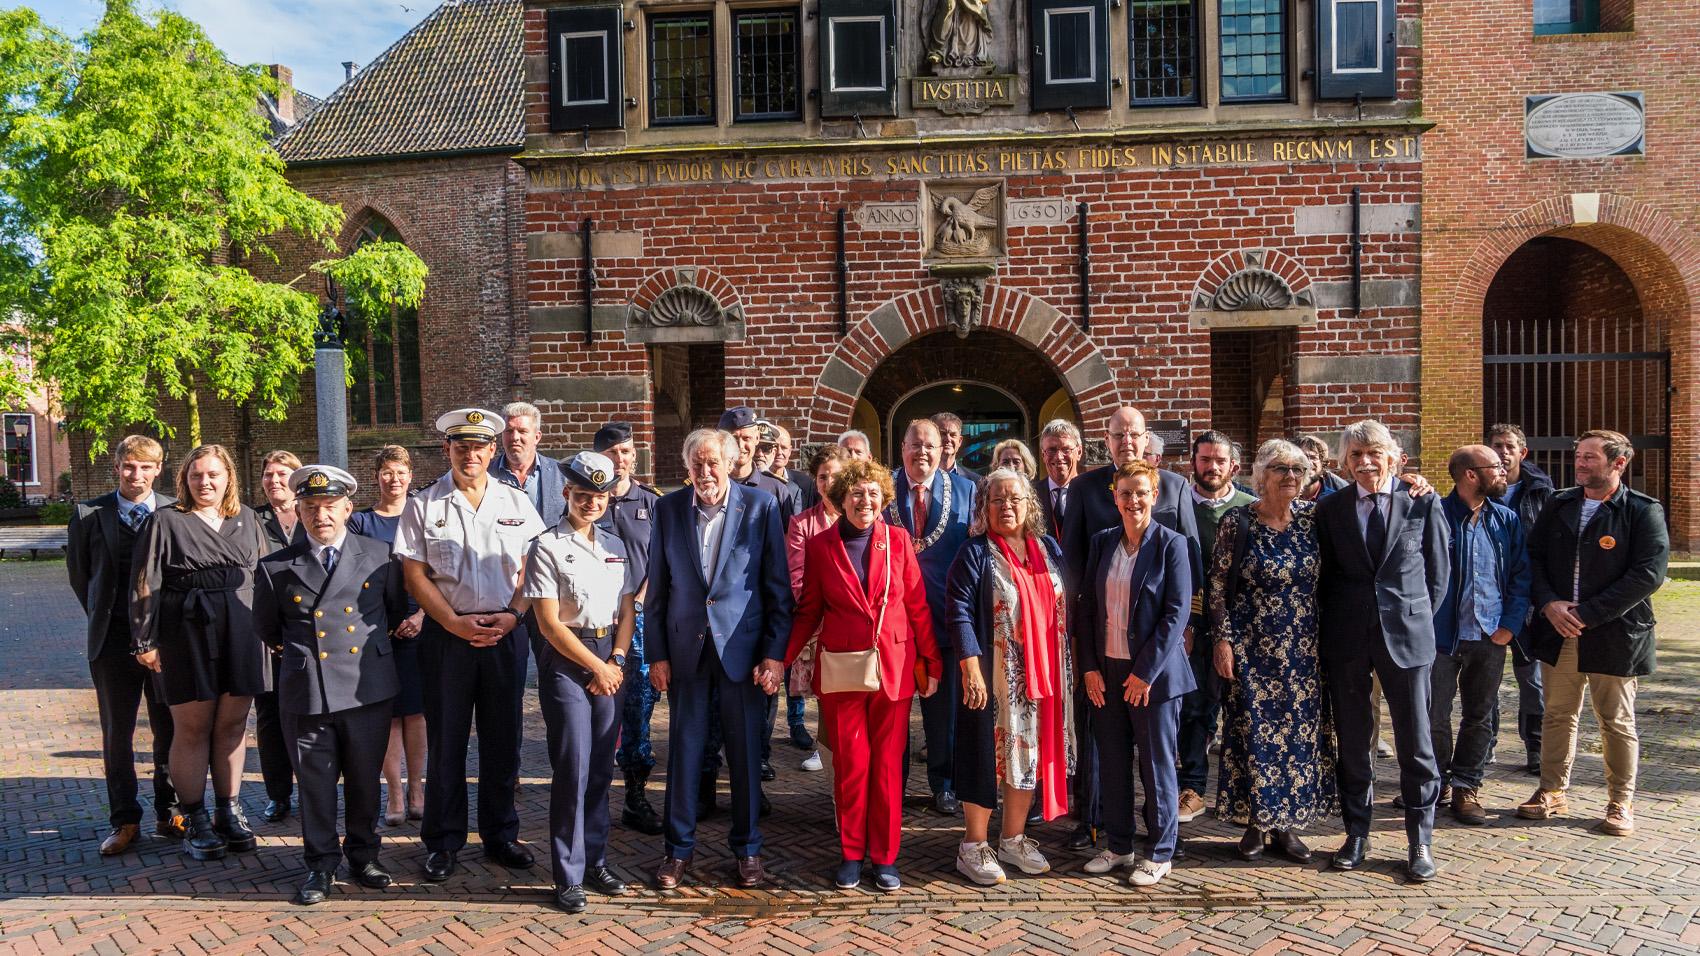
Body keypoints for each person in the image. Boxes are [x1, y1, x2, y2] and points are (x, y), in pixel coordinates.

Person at [393, 408, 546, 883]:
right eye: (461, 446)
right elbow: (414, 575)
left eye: (480, 446)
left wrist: (515, 613)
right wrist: (453, 624)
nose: (471, 454)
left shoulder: (516, 502)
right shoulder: (424, 504)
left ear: (492, 450)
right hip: (447, 638)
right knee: (447, 743)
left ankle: (501, 835)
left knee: (504, 742)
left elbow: (534, 566)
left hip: (504, 633)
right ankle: (443, 842)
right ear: (447, 450)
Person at [645, 428, 793, 890]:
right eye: (697, 464)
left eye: (713, 463)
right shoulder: (668, 509)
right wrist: (657, 655)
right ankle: (677, 850)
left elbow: (777, 588)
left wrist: (773, 653)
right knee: (684, 754)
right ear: (686, 467)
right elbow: (658, 589)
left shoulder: (761, 506)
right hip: (686, 649)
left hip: (742, 652)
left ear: (730, 463)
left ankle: (748, 849)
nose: (705, 472)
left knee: (746, 755)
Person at [253, 465, 406, 905]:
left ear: (347, 508)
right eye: (311, 507)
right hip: (308, 692)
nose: (322, 516)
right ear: (299, 512)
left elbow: (392, 615)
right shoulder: (275, 567)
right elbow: (266, 628)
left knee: (363, 778)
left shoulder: (379, 555)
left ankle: (363, 855)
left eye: (329, 507)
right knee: (316, 784)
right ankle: (320, 864)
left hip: (366, 688)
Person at [787, 458, 942, 892]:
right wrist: (779, 658)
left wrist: (931, 662)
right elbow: (809, 611)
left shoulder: (898, 541)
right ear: (842, 499)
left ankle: (886, 857)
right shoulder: (820, 546)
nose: (865, 500)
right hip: (842, 670)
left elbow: (916, 606)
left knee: (889, 769)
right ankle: (852, 853)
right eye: (856, 493)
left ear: (883, 498)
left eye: (873, 493)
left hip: (893, 669)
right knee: (852, 767)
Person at [1314, 420, 1449, 882]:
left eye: (1374, 453)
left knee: (1416, 743)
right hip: (1348, 638)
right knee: (1354, 741)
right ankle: (1356, 833)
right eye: (1355, 456)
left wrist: (1414, 618)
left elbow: (1438, 575)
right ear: (1345, 462)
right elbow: (1326, 577)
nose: (1365, 462)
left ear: (1394, 457)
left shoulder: (1423, 501)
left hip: (1407, 638)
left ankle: (1420, 841)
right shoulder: (1330, 509)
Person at [1517, 430, 1668, 836]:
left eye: (1589, 458)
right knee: (1557, 714)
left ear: (1619, 464)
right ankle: (1551, 790)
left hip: (1615, 633)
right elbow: (1534, 557)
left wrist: (1588, 614)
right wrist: (1549, 604)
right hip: (1558, 629)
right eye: (1578, 456)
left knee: (1615, 720)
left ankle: (1621, 801)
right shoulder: (1559, 503)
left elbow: (1648, 575)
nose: (1580, 464)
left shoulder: (1642, 510)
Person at [1062, 405, 1198, 850]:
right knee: (1110, 754)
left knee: (1158, 758)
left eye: (1134, 433)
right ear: (1107, 438)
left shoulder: (1177, 489)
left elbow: (1187, 576)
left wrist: (1182, 637)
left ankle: (1161, 844)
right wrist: (1086, 657)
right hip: (1107, 650)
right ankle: (1105, 832)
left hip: (1157, 653)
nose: (1126, 441)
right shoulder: (1086, 493)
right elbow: (1076, 575)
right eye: (1117, 434)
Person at [130, 443, 271, 861]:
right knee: (190, 728)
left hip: (243, 633)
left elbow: (266, 577)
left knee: (232, 727)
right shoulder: (166, 521)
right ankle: (195, 816)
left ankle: (229, 811)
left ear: (228, 477)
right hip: (185, 632)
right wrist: (145, 640)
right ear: (184, 480)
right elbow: (145, 583)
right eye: (196, 476)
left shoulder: (246, 519)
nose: (205, 482)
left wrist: (275, 631)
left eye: (213, 474)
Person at [1209, 440, 1338, 865]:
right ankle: (1255, 824)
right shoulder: (1238, 521)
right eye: (1280, 468)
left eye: (1298, 470)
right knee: (1252, 736)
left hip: (1305, 649)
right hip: (1251, 647)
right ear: (1261, 476)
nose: (1290, 476)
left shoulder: (1313, 520)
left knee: (1298, 739)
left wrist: (1412, 485)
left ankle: (1285, 825)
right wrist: (1223, 640)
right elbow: (1217, 588)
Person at [944, 468, 1074, 886]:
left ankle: (1013, 839)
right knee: (984, 754)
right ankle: (973, 845)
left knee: (1028, 755)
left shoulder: (1048, 547)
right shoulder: (975, 553)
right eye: (997, 499)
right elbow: (959, 610)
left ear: (1029, 503)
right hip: (994, 675)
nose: (1006, 506)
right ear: (984, 507)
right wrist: (970, 667)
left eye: (1015, 498)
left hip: (1044, 674)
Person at [524, 451, 638, 913]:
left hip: (608, 658)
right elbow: (549, 624)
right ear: (567, 493)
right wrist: (597, 667)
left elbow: (628, 610)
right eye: (583, 495)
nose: (591, 503)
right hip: (568, 661)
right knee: (573, 767)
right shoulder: (545, 545)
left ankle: (595, 859)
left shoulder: (615, 545)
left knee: (602, 770)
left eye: (599, 497)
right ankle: (568, 875)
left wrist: (616, 658)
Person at [67, 435, 183, 855]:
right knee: (117, 733)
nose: (136, 475)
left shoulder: (175, 511)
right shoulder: (88, 514)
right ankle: (124, 819)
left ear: (158, 469)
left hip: (165, 640)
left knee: (169, 727)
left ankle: (170, 810)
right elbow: (82, 578)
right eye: (128, 466)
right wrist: (110, 617)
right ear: (117, 468)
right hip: (112, 640)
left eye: (145, 467)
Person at [1431, 445, 1530, 825]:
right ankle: (1435, 783)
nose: (1504, 472)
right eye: (1496, 467)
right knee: (1434, 715)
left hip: (1490, 635)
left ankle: (1466, 787)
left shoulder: (1505, 519)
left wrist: (1510, 624)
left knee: (1479, 716)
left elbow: (1521, 574)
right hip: (1441, 638)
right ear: (1471, 474)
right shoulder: (1434, 514)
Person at [889, 418, 976, 816]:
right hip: (892, 625)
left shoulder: (967, 490)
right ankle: (895, 782)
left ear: (943, 450)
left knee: (943, 714)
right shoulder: (881, 489)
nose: (922, 452)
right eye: (915, 444)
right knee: (893, 713)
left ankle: (944, 783)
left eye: (930, 445)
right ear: (902, 447)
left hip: (943, 619)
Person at [1175, 432, 1255, 826]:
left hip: (1241, 627)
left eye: (1219, 461)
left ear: (1233, 467)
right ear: (1193, 462)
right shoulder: (1178, 503)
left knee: (1241, 710)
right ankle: (1191, 787)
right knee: (1194, 709)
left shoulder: (1249, 508)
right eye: (1204, 459)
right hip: (1193, 622)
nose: (1211, 467)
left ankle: (1244, 795)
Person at [347, 446, 428, 827]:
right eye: (386, 472)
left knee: (416, 714)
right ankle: (394, 791)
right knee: (389, 717)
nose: (393, 480)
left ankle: (417, 790)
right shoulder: (361, 523)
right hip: (376, 631)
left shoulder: (426, 516)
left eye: (400, 472)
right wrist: (380, 624)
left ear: (410, 475)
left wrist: (424, 615)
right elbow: (355, 579)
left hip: (421, 625)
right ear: (376, 476)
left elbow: (440, 572)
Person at [593, 422, 665, 836]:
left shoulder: (651, 503)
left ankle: (636, 796)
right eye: (613, 452)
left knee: (638, 709)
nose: (621, 458)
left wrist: (638, 602)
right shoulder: (590, 501)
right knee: (597, 709)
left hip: (637, 623)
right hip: (594, 623)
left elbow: (662, 559)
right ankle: (593, 793)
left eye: (627, 451)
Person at [1489, 423, 1554, 774]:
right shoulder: (1480, 488)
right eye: (1496, 445)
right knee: (1487, 678)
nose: (1502, 451)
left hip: (1530, 599)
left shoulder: (1544, 492)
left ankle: (1536, 746)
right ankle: (1486, 745)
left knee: (1532, 678)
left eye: (1508, 446)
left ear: (1522, 452)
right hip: (1488, 598)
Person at [785, 444, 853, 773]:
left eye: (834, 476)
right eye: (822, 477)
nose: (828, 482)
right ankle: (823, 747)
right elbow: (797, 577)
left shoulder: (861, 515)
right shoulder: (802, 524)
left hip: (855, 625)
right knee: (826, 693)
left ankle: (847, 749)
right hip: (819, 625)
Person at [252, 449, 303, 823]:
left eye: (282, 474)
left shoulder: (316, 513)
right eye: (268, 475)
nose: (274, 481)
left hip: (307, 631)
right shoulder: (252, 520)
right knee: (269, 716)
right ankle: (278, 794)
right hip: (267, 634)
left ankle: (318, 789)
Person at [491, 401, 568, 527]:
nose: (515, 437)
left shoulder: (561, 474)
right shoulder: (486, 474)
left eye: (522, 431)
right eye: (509, 431)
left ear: (537, 437)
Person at [723, 406, 799, 523]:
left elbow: (786, 537)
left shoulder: (777, 490)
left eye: (746, 438)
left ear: (757, 438)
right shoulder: (711, 485)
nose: (740, 445)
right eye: (733, 438)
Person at [1035, 420, 1082, 546]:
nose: (1058, 457)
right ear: (1043, 455)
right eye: (1051, 450)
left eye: (1066, 449)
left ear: (1079, 452)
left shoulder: (1092, 492)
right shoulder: (1030, 494)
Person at [771, 423, 820, 512]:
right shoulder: (756, 481)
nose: (779, 452)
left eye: (784, 448)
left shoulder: (804, 483)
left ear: (790, 451)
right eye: (774, 446)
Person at [1295, 435, 1349, 501]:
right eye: (1302, 458)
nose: (1308, 463)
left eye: (1313, 457)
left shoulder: (1339, 495)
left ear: (1322, 463)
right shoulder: (1283, 495)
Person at [932, 412, 979, 482]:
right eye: (943, 434)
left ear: (960, 441)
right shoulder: (918, 478)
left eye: (953, 435)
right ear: (931, 438)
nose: (948, 439)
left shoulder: (975, 481)